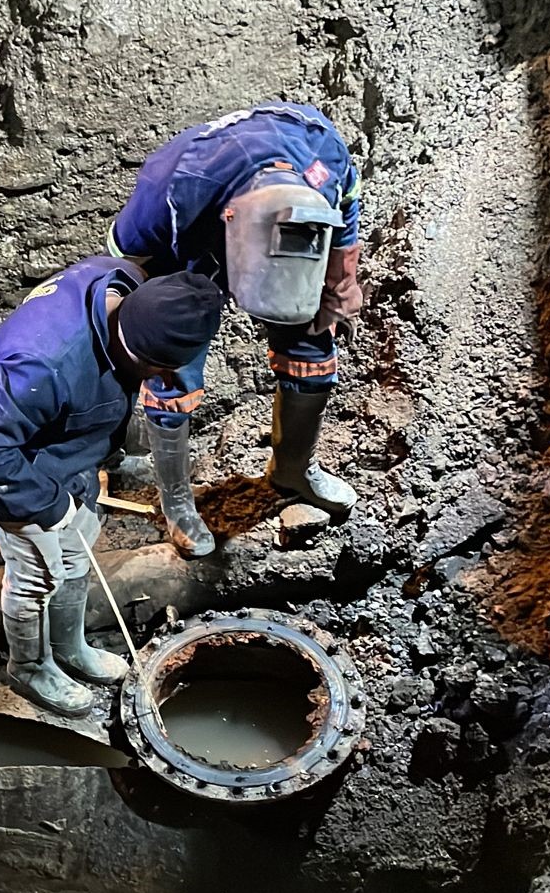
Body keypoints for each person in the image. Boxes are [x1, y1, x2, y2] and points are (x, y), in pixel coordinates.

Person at [0, 259, 220, 716]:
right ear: (137, 352)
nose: (169, 383)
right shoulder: (45, 364)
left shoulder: (124, 285)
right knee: (38, 575)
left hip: (69, 449)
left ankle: (70, 648)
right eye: (161, 371)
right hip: (13, 470)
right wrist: (49, 505)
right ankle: (30, 666)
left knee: (76, 556)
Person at [107, 101, 364, 554]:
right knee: (172, 367)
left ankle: (292, 469)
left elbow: (346, 219)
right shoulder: (172, 189)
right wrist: (144, 348)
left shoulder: (327, 161)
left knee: (312, 347)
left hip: (292, 245)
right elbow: (124, 264)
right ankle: (177, 502)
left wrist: (342, 284)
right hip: (192, 257)